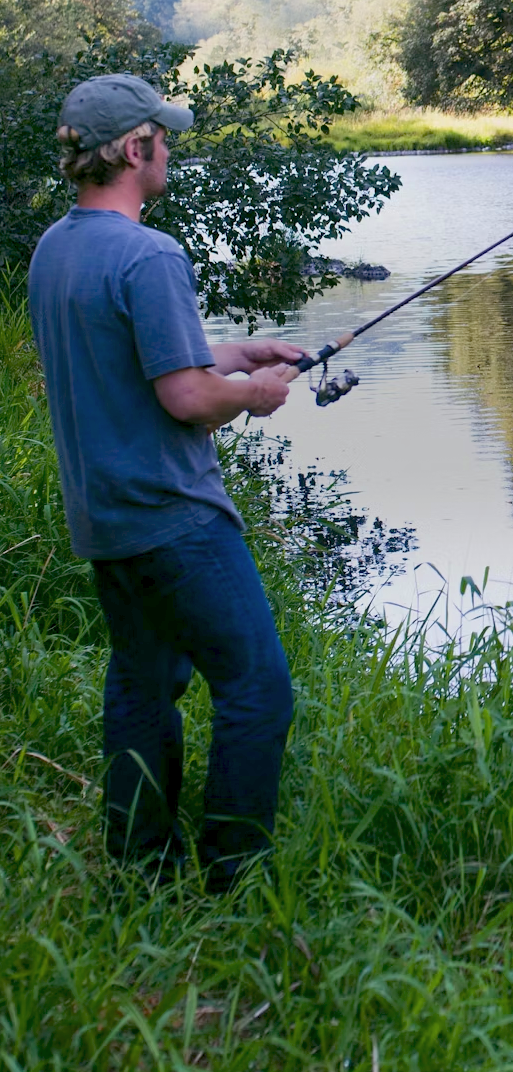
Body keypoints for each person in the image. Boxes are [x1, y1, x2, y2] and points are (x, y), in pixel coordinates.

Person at [28, 73, 306, 891]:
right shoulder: (151, 254)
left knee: (143, 688)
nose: (171, 147)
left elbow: (147, 356)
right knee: (258, 688)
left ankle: (140, 869)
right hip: (176, 521)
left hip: (106, 519)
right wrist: (253, 396)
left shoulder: (58, 248)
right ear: (134, 148)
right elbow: (185, 396)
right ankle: (235, 878)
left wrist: (241, 354)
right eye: (163, 135)